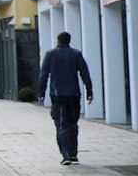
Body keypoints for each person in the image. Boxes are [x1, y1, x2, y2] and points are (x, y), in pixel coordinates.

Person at [38, 30, 95, 165]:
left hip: (58, 96)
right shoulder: (76, 54)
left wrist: (41, 93)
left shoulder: (50, 54)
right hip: (74, 95)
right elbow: (85, 73)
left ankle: (66, 155)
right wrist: (89, 91)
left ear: (58, 40)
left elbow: (43, 75)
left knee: (61, 125)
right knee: (72, 124)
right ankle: (74, 152)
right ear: (69, 41)